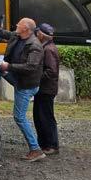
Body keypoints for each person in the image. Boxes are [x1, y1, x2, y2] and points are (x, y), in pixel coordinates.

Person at [0, 16, 46, 162]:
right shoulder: (17, 36)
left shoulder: (35, 46)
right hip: (18, 79)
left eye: (19, 24)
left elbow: (31, 67)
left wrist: (9, 67)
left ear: (25, 29)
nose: (16, 25)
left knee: (19, 117)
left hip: (26, 85)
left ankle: (36, 150)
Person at [33, 23, 60, 155]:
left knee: (46, 118)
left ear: (42, 35)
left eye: (38, 32)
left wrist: (36, 77)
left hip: (46, 90)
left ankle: (52, 145)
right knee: (39, 117)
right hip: (43, 89)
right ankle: (44, 144)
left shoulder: (49, 49)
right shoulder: (47, 47)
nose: (36, 34)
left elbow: (51, 71)